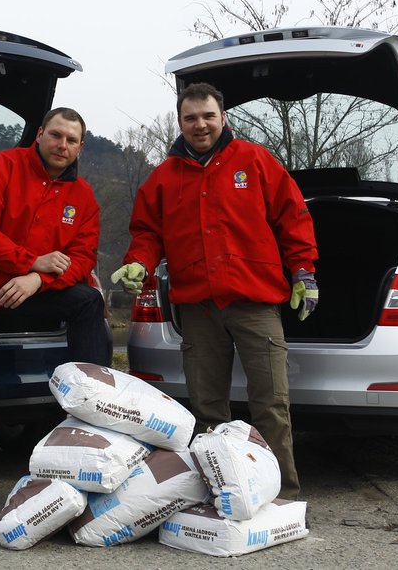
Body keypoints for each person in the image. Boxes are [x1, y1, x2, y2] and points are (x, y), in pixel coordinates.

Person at [111, 83, 318, 499]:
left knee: (271, 407)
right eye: (190, 118)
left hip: (255, 302)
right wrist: (139, 261)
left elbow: (292, 217)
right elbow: (148, 233)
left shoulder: (255, 161)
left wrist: (303, 272)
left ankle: (283, 496)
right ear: (180, 122)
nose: (200, 125)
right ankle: (221, 493)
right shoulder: (164, 178)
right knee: (207, 413)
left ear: (223, 117)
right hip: (198, 308)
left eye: (207, 115)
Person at [0, 107, 109, 518]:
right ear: (40, 135)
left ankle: (96, 403)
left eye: (71, 140)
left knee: (88, 300)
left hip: (26, 288)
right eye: (56, 135)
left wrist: (37, 280)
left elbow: (81, 259)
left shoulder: (82, 198)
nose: (62, 145)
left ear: (81, 146)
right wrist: (30, 262)